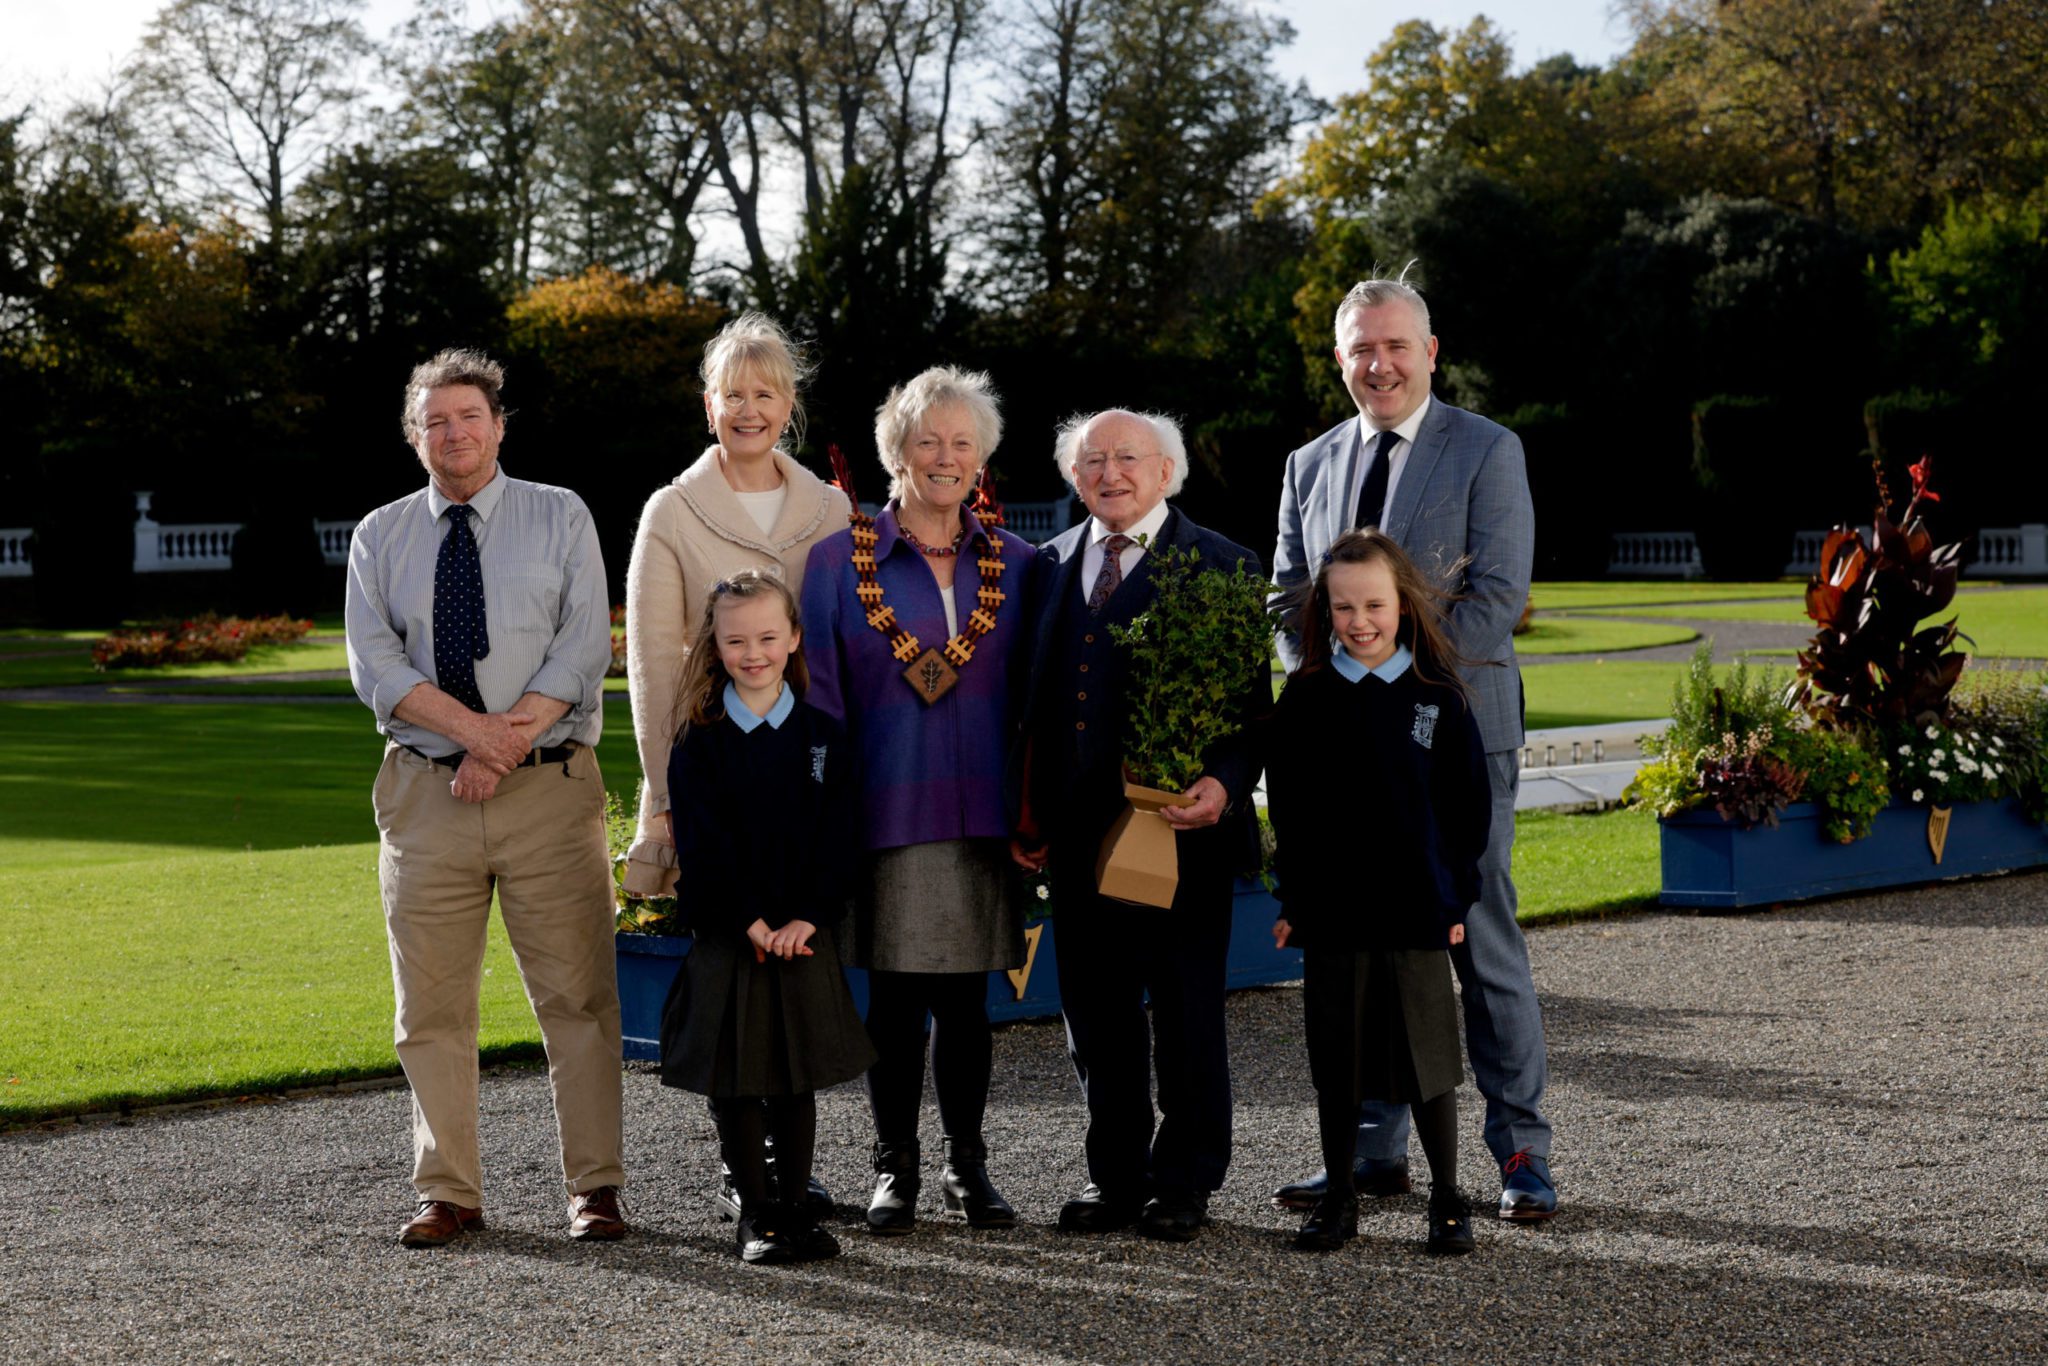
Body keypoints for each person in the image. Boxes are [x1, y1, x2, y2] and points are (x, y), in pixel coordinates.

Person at [1271, 275, 1554, 1221]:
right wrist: (1331, 697)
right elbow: (1287, 598)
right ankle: (1374, 1153)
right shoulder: (1309, 464)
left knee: (1477, 937)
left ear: (1431, 352)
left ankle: (1521, 1151)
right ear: (1340, 359)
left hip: (1454, 736)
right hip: (1347, 758)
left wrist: (1398, 693)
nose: (1379, 364)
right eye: (1362, 348)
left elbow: (1496, 598)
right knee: (1364, 945)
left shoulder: (1487, 449)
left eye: (1396, 345)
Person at [344, 348, 625, 1248]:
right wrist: (479, 738)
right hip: (427, 797)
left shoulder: (561, 514)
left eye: (470, 415)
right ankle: (448, 1191)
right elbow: (376, 668)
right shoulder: (379, 536)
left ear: (499, 426)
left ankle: (595, 1188)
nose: (454, 432)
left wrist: (501, 748)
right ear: (414, 437)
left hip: (551, 793)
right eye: (436, 420)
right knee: (428, 1009)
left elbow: (583, 647)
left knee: (578, 1001)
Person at [1011, 409, 1268, 1243]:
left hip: (1183, 831)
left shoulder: (1224, 564)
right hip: (1077, 837)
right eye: (1092, 460)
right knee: (1096, 1015)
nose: (1109, 473)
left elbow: (1251, 713)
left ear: (1166, 471)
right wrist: (1026, 811)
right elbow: (1032, 705)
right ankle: (1115, 1176)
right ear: (1072, 476)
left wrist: (1223, 785)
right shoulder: (1047, 566)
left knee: (1187, 1011)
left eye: (1128, 457)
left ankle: (1184, 1180)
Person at [622, 312, 849, 1221]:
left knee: (795, 993)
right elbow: (653, 663)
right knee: (732, 988)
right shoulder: (671, 511)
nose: (749, 409)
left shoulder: (832, 509)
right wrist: (667, 798)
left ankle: (790, 1177)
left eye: (766, 392)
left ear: (789, 405)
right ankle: (747, 1177)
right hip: (715, 782)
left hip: (804, 784)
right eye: (732, 394)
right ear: (707, 404)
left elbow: (839, 652)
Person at [801, 367, 1034, 1235]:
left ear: (981, 459)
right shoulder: (837, 564)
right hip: (885, 817)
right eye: (927, 440)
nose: (945, 456)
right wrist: (823, 824)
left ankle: (967, 1167)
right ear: (895, 451)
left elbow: (1037, 703)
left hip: (985, 820)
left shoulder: (1020, 566)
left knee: (969, 1006)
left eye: (962, 443)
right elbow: (819, 706)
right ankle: (894, 1167)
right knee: (895, 1006)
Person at [1267, 530, 1490, 1256]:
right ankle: (1339, 1196)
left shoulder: (1438, 697)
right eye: (1343, 607)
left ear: (1402, 604)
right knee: (1339, 1061)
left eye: (1374, 605)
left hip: (1418, 910)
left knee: (1429, 1059)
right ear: (1324, 611)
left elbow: (1467, 814)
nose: (1359, 621)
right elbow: (1291, 815)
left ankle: (1447, 1197)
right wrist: (1294, 902)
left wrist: (1454, 903)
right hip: (1335, 913)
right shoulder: (1306, 699)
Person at [656, 570, 875, 1264]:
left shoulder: (822, 736)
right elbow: (704, 847)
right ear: (715, 646)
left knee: (792, 1075)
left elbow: (839, 838)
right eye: (736, 641)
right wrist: (750, 921)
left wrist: (807, 917)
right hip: (733, 935)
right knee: (740, 1078)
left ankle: (794, 1209)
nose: (753, 653)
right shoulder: (699, 742)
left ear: (794, 639)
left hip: (802, 936)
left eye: (767, 638)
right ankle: (755, 1214)